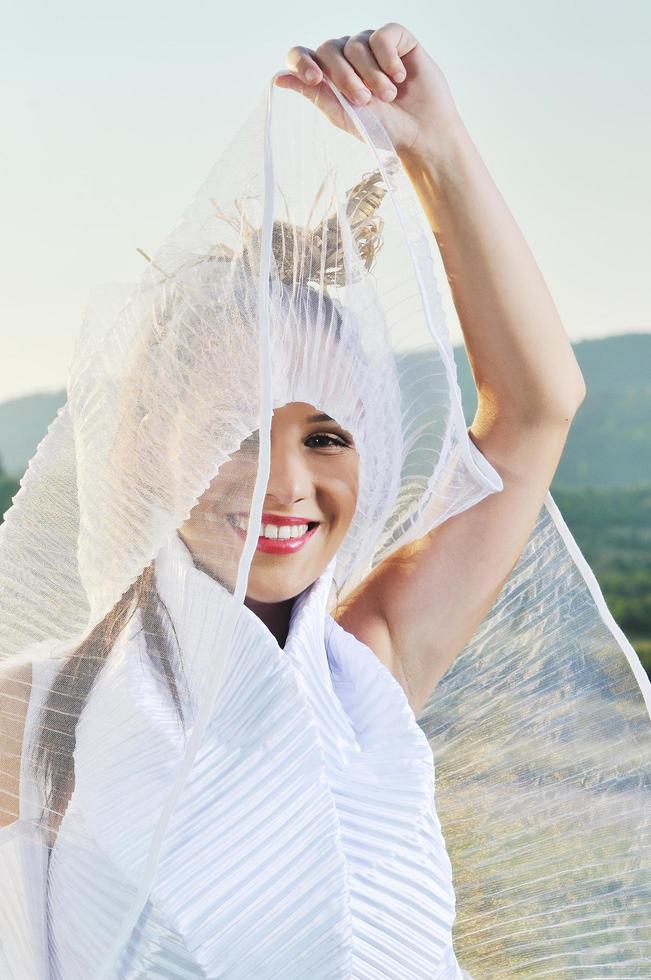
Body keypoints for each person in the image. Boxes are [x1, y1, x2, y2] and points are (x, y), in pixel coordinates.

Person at [1, 23, 649, 979]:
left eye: (325, 435)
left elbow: (537, 407)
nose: (285, 482)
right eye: (233, 428)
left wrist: (436, 145)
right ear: (146, 445)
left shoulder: (364, 674)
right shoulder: (37, 707)